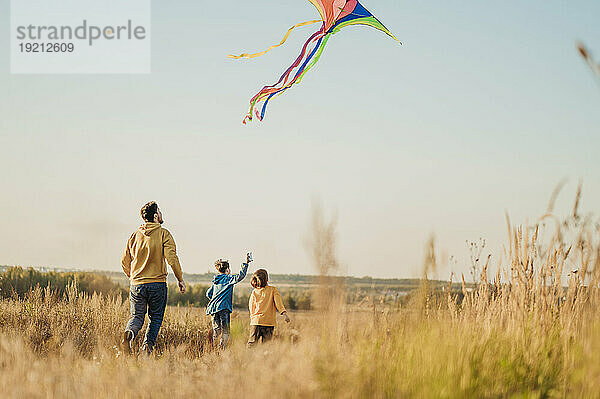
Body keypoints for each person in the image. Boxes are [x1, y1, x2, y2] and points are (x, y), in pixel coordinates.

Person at [120, 201, 186, 355]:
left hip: (137, 284)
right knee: (155, 319)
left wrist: (133, 276)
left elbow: (124, 261)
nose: (161, 214)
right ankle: (146, 352)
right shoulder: (164, 234)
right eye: (160, 211)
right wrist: (180, 278)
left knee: (136, 316)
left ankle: (129, 333)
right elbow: (172, 258)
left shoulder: (134, 236)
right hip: (157, 284)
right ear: (156, 216)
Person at [206, 253, 252, 349]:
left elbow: (208, 294)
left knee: (217, 330)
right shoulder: (229, 278)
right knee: (226, 331)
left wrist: (216, 299)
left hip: (213, 308)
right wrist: (246, 263)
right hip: (224, 308)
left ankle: (213, 347)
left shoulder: (216, 281)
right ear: (227, 270)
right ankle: (221, 348)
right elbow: (241, 276)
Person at [247, 268, 290, 346]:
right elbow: (279, 304)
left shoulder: (254, 291)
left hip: (256, 322)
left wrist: (253, 318)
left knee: (252, 345)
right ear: (267, 279)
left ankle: (249, 358)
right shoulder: (273, 290)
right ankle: (264, 358)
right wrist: (284, 314)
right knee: (266, 346)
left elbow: (251, 307)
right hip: (269, 323)